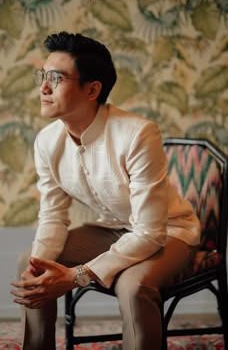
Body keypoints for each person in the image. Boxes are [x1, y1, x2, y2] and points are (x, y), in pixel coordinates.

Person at [10, 31, 201, 350]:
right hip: (114, 228)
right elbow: (53, 217)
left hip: (169, 232)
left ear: (92, 89)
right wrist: (42, 270)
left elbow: (150, 233)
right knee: (31, 262)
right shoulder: (46, 141)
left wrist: (76, 275)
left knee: (132, 286)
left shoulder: (138, 133)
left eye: (56, 78)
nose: (43, 88)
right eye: (43, 76)